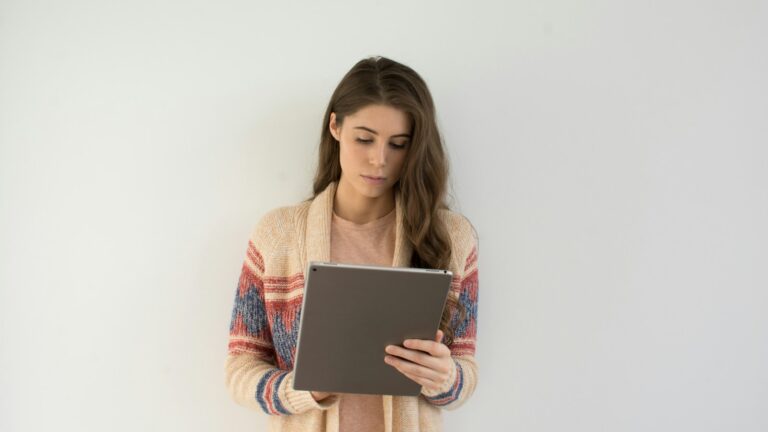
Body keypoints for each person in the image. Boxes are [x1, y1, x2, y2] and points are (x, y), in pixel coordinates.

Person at [225, 55, 479, 432]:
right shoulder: (276, 235)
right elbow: (240, 367)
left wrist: (445, 378)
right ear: (335, 126)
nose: (379, 160)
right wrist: (305, 390)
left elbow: (465, 372)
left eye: (399, 144)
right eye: (364, 138)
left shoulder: (452, 237)